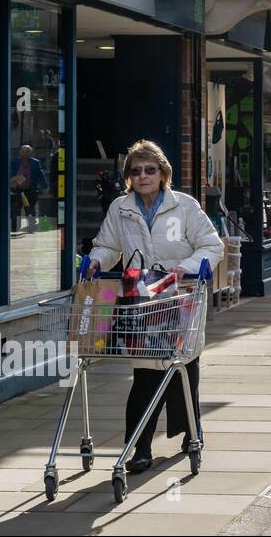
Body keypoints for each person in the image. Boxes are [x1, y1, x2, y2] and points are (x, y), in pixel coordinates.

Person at [85, 140, 224, 474]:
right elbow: (108, 245)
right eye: (136, 171)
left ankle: (192, 431)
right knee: (146, 373)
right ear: (129, 176)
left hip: (181, 299)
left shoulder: (185, 207)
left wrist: (186, 266)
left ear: (163, 173)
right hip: (141, 302)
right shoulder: (121, 208)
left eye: (150, 170)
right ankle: (141, 448)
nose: (143, 176)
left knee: (183, 369)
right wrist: (95, 261)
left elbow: (211, 245)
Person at [10, 144, 48, 232]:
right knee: (16, 209)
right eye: (23, 151)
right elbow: (10, 174)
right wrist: (14, 179)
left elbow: (40, 175)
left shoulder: (35, 162)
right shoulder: (15, 161)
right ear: (20, 152)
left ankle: (31, 227)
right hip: (17, 189)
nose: (25, 153)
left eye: (27, 152)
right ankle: (15, 227)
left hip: (31, 189)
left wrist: (45, 187)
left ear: (31, 153)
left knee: (30, 208)